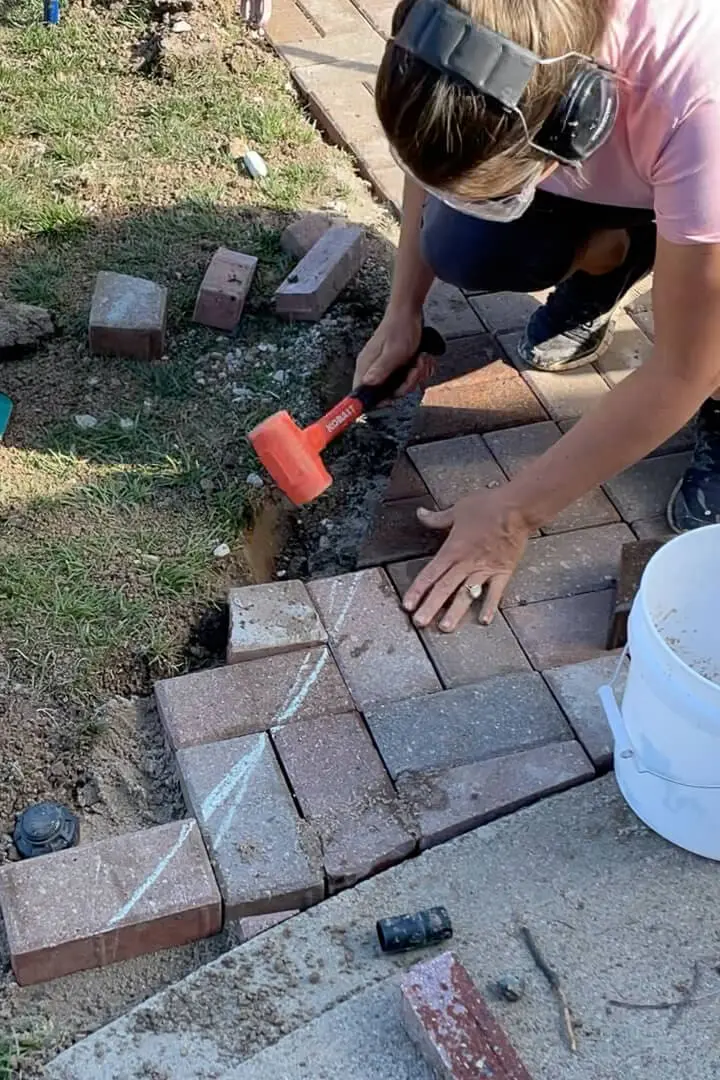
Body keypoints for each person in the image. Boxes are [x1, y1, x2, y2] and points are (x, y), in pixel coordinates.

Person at [354, 0, 720, 634]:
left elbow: (685, 368)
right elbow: (433, 156)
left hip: (693, 153)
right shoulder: (455, 23)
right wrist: (402, 310)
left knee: (709, 345)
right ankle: (617, 255)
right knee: (464, 245)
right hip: (645, 159)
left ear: (575, 119)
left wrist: (514, 514)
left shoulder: (697, 102)